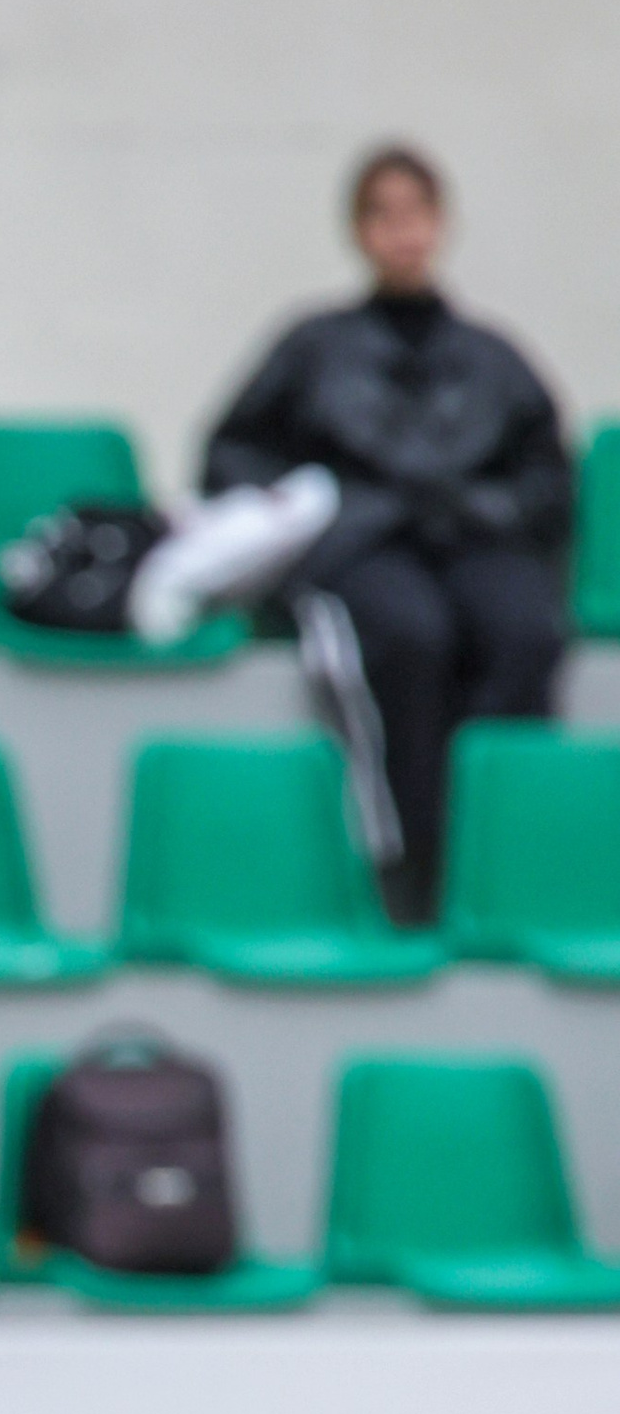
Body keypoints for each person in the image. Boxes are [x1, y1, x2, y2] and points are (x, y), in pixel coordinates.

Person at [202, 145, 571, 920]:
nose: (403, 233)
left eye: (416, 213)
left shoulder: (492, 359)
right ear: (358, 230)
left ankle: (505, 857)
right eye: (383, 215)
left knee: (522, 630)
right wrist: (320, 512)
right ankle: (413, 867)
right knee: (409, 636)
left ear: (441, 223)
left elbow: (545, 481)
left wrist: (482, 510)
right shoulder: (313, 349)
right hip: (364, 550)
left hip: (469, 542)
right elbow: (234, 457)